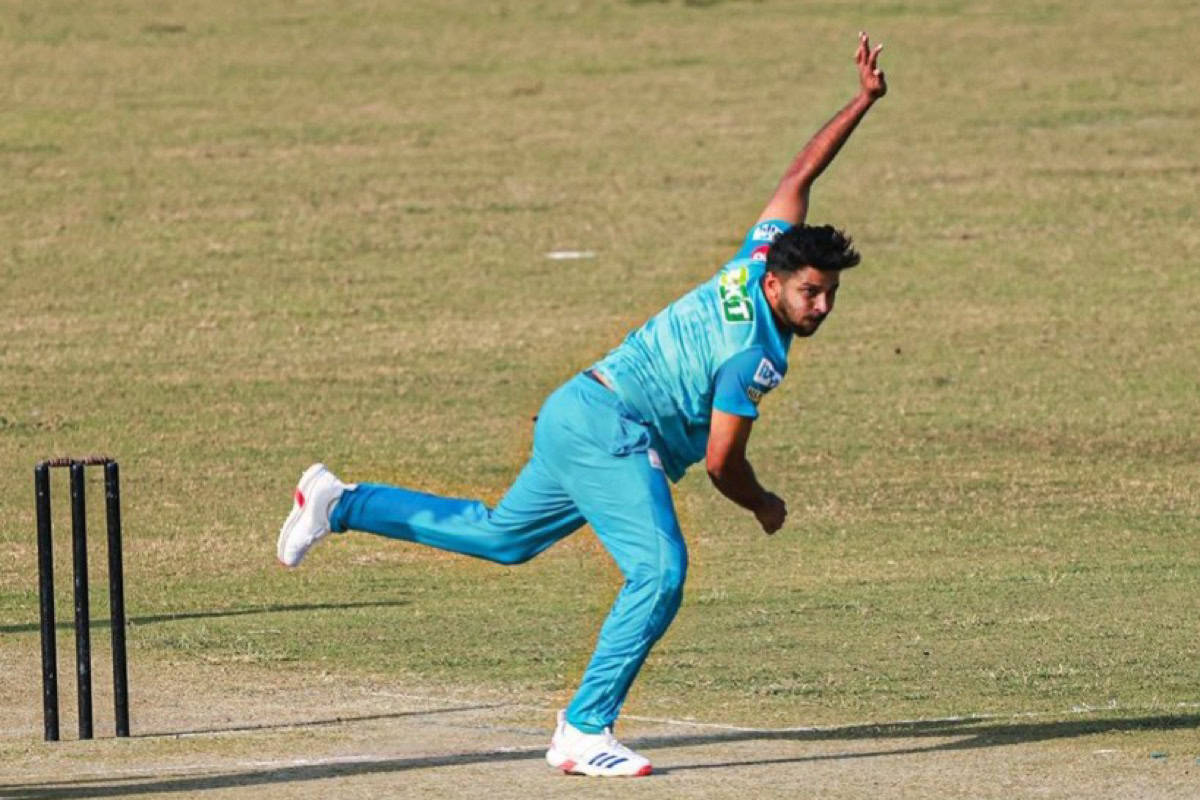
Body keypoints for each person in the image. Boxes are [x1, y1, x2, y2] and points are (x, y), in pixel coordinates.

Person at [277, 32, 887, 778]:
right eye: (810, 293)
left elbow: (800, 171)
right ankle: (582, 730)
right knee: (659, 571)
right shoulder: (752, 355)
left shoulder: (758, 255)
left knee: (503, 537)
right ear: (775, 285)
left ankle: (340, 504)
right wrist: (764, 505)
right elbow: (725, 463)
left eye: (829, 294)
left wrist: (860, 103)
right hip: (613, 432)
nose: (821, 306)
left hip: (576, 408)